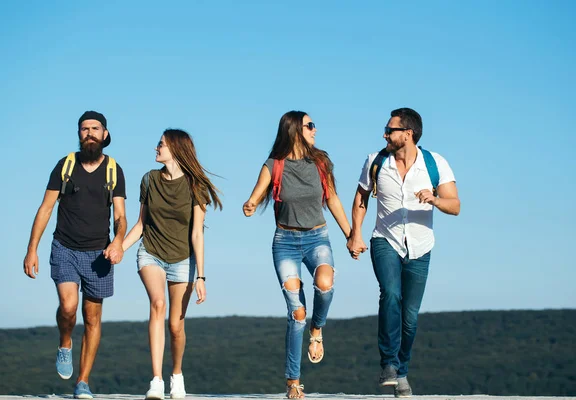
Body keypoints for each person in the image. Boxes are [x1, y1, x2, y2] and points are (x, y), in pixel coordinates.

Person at [347, 107, 460, 397]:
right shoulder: (376, 161)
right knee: (391, 294)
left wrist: (434, 199)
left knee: (410, 316)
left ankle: (403, 371)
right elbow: (361, 198)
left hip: (421, 246)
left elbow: (455, 206)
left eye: (390, 130)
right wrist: (354, 234)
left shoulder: (435, 164)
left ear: (408, 134)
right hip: (385, 239)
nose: (385, 134)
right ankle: (388, 364)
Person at [243, 111, 352, 399]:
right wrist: (251, 203)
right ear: (294, 130)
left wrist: (351, 235)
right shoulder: (274, 165)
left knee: (325, 283)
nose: (315, 129)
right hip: (286, 242)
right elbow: (256, 193)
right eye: (310, 125)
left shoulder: (320, 163)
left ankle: (318, 329)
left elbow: (332, 199)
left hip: (318, 236)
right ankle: (293, 381)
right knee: (297, 312)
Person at [23, 111, 127, 399]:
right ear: (79, 134)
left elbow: (120, 215)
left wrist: (118, 241)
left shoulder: (114, 170)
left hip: (99, 254)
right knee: (68, 307)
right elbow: (45, 209)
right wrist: (31, 249)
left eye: (95, 128)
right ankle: (65, 342)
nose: (89, 133)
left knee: (92, 319)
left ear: (105, 134)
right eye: (84, 129)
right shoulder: (65, 165)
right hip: (65, 247)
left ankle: (82, 382)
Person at [122, 129, 222, 400]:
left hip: (183, 259)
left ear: (176, 150)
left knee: (176, 326)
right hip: (151, 252)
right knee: (158, 304)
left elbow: (197, 234)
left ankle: (176, 375)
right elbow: (141, 225)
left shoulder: (195, 185)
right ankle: (156, 381)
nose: (156, 148)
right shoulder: (149, 180)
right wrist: (118, 248)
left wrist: (201, 277)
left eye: (161, 144)